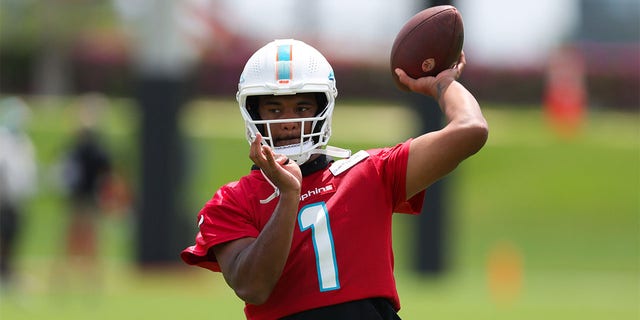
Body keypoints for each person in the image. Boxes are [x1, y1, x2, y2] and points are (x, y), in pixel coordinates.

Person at [181, 39, 488, 319]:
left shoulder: (370, 172)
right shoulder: (232, 200)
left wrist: (444, 83)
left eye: (302, 107)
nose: (290, 123)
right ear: (253, 112)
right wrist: (289, 196)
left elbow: (470, 130)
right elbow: (253, 287)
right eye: (275, 109)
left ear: (323, 109)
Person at [0, 97, 37, 291]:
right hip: (3, 199)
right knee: (4, 236)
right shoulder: (3, 140)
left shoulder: (23, 141)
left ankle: (7, 273)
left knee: (13, 237)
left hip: (18, 200)